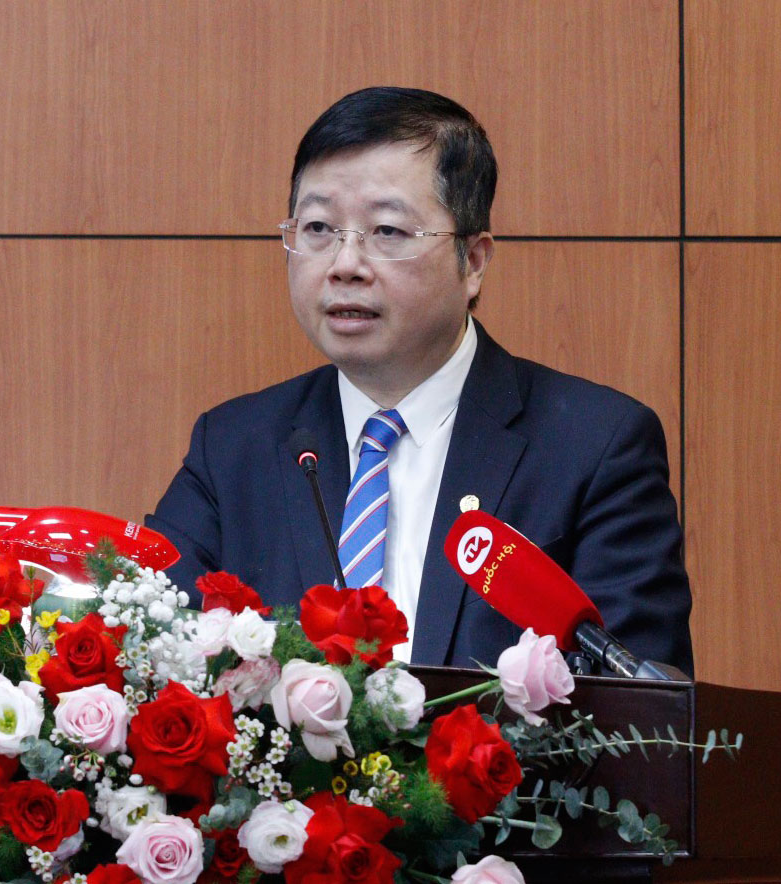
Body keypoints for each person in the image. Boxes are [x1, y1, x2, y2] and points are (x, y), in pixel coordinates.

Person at [146, 87, 694, 674]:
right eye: (319, 228)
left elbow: (642, 708)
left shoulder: (594, 448)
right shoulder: (232, 446)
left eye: (387, 231)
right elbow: (149, 647)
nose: (344, 265)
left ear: (473, 261)